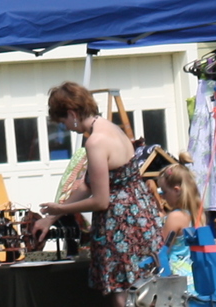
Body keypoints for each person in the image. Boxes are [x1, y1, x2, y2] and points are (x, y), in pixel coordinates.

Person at [32, 81, 157, 305]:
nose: (67, 128)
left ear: (72, 113)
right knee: (143, 290)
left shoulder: (96, 142)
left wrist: (60, 208)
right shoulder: (111, 128)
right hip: (140, 216)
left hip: (121, 224)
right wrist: (50, 219)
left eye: (63, 122)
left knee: (122, 293)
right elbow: (87, 185)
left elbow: (100, 201)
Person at [157, 161, 207, 297]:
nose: (162, 196)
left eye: (164, 191)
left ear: (177, 190)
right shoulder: (198, 214)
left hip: (176, 277)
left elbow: (161, 250)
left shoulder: (175, 217)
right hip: (195, 276)